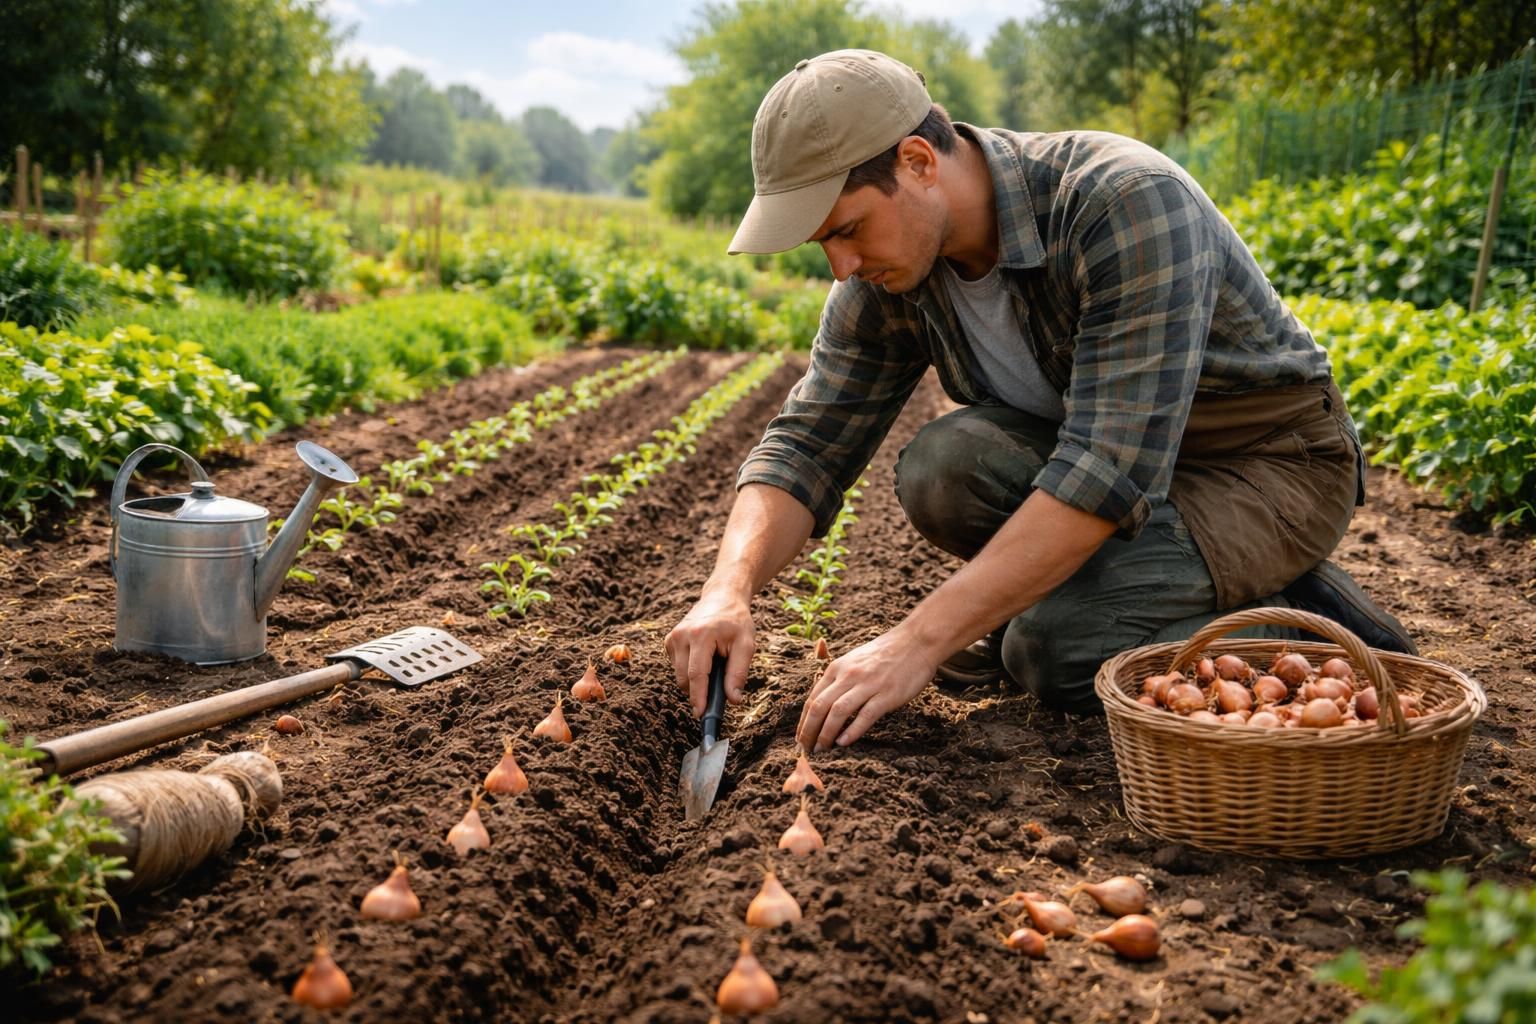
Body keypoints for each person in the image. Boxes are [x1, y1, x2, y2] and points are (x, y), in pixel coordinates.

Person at [664, 48, 1416, 755]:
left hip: (1267, 465)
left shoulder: (1123, 201)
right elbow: (809, 442)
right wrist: (727, 591)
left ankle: (1296, 613)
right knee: (943, 464)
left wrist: (918, 642)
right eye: (821, 245)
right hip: (1128, 479)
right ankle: (1160, 586)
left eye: (848, 230)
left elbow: (1106, 469)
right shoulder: (889, 276)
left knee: (1052, 651)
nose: (842, 266)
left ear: (918, 162)